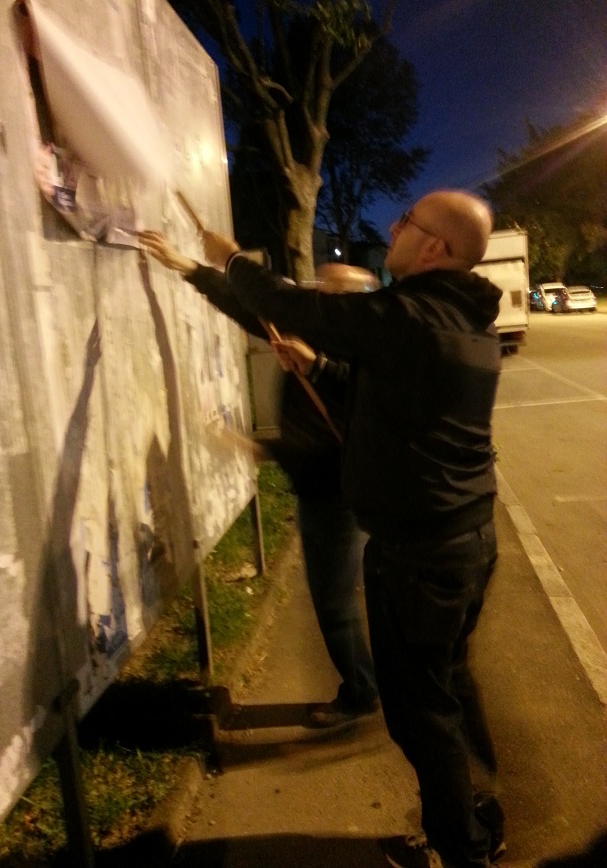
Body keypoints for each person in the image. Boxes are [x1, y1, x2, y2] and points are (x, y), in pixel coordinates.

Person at [143, 188, 504, 868]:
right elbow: (383, 384)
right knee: (449, 689)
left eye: (407, 220)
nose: (393, 227)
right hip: (461, 543)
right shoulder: (458, 318)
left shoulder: (411, 315)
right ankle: (482, 814)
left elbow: (293, 308)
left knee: (420, 716)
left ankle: (462, 851)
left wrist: (231, 261)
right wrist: (315, 365)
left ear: (434, 246)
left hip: (420, 556)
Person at [137, 234, 378, 727]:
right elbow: (250, 308)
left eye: (328, 291)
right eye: (317, 287)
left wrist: (258, 449)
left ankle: (362, 693)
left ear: (352, 303)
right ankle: (367, 686)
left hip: (335, 498)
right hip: (319, 494)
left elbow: (335, 441)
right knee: (335, 598)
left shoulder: (359, 359)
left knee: (334, 604)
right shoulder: (318, 332)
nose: (315, 296)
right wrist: (189, 266)